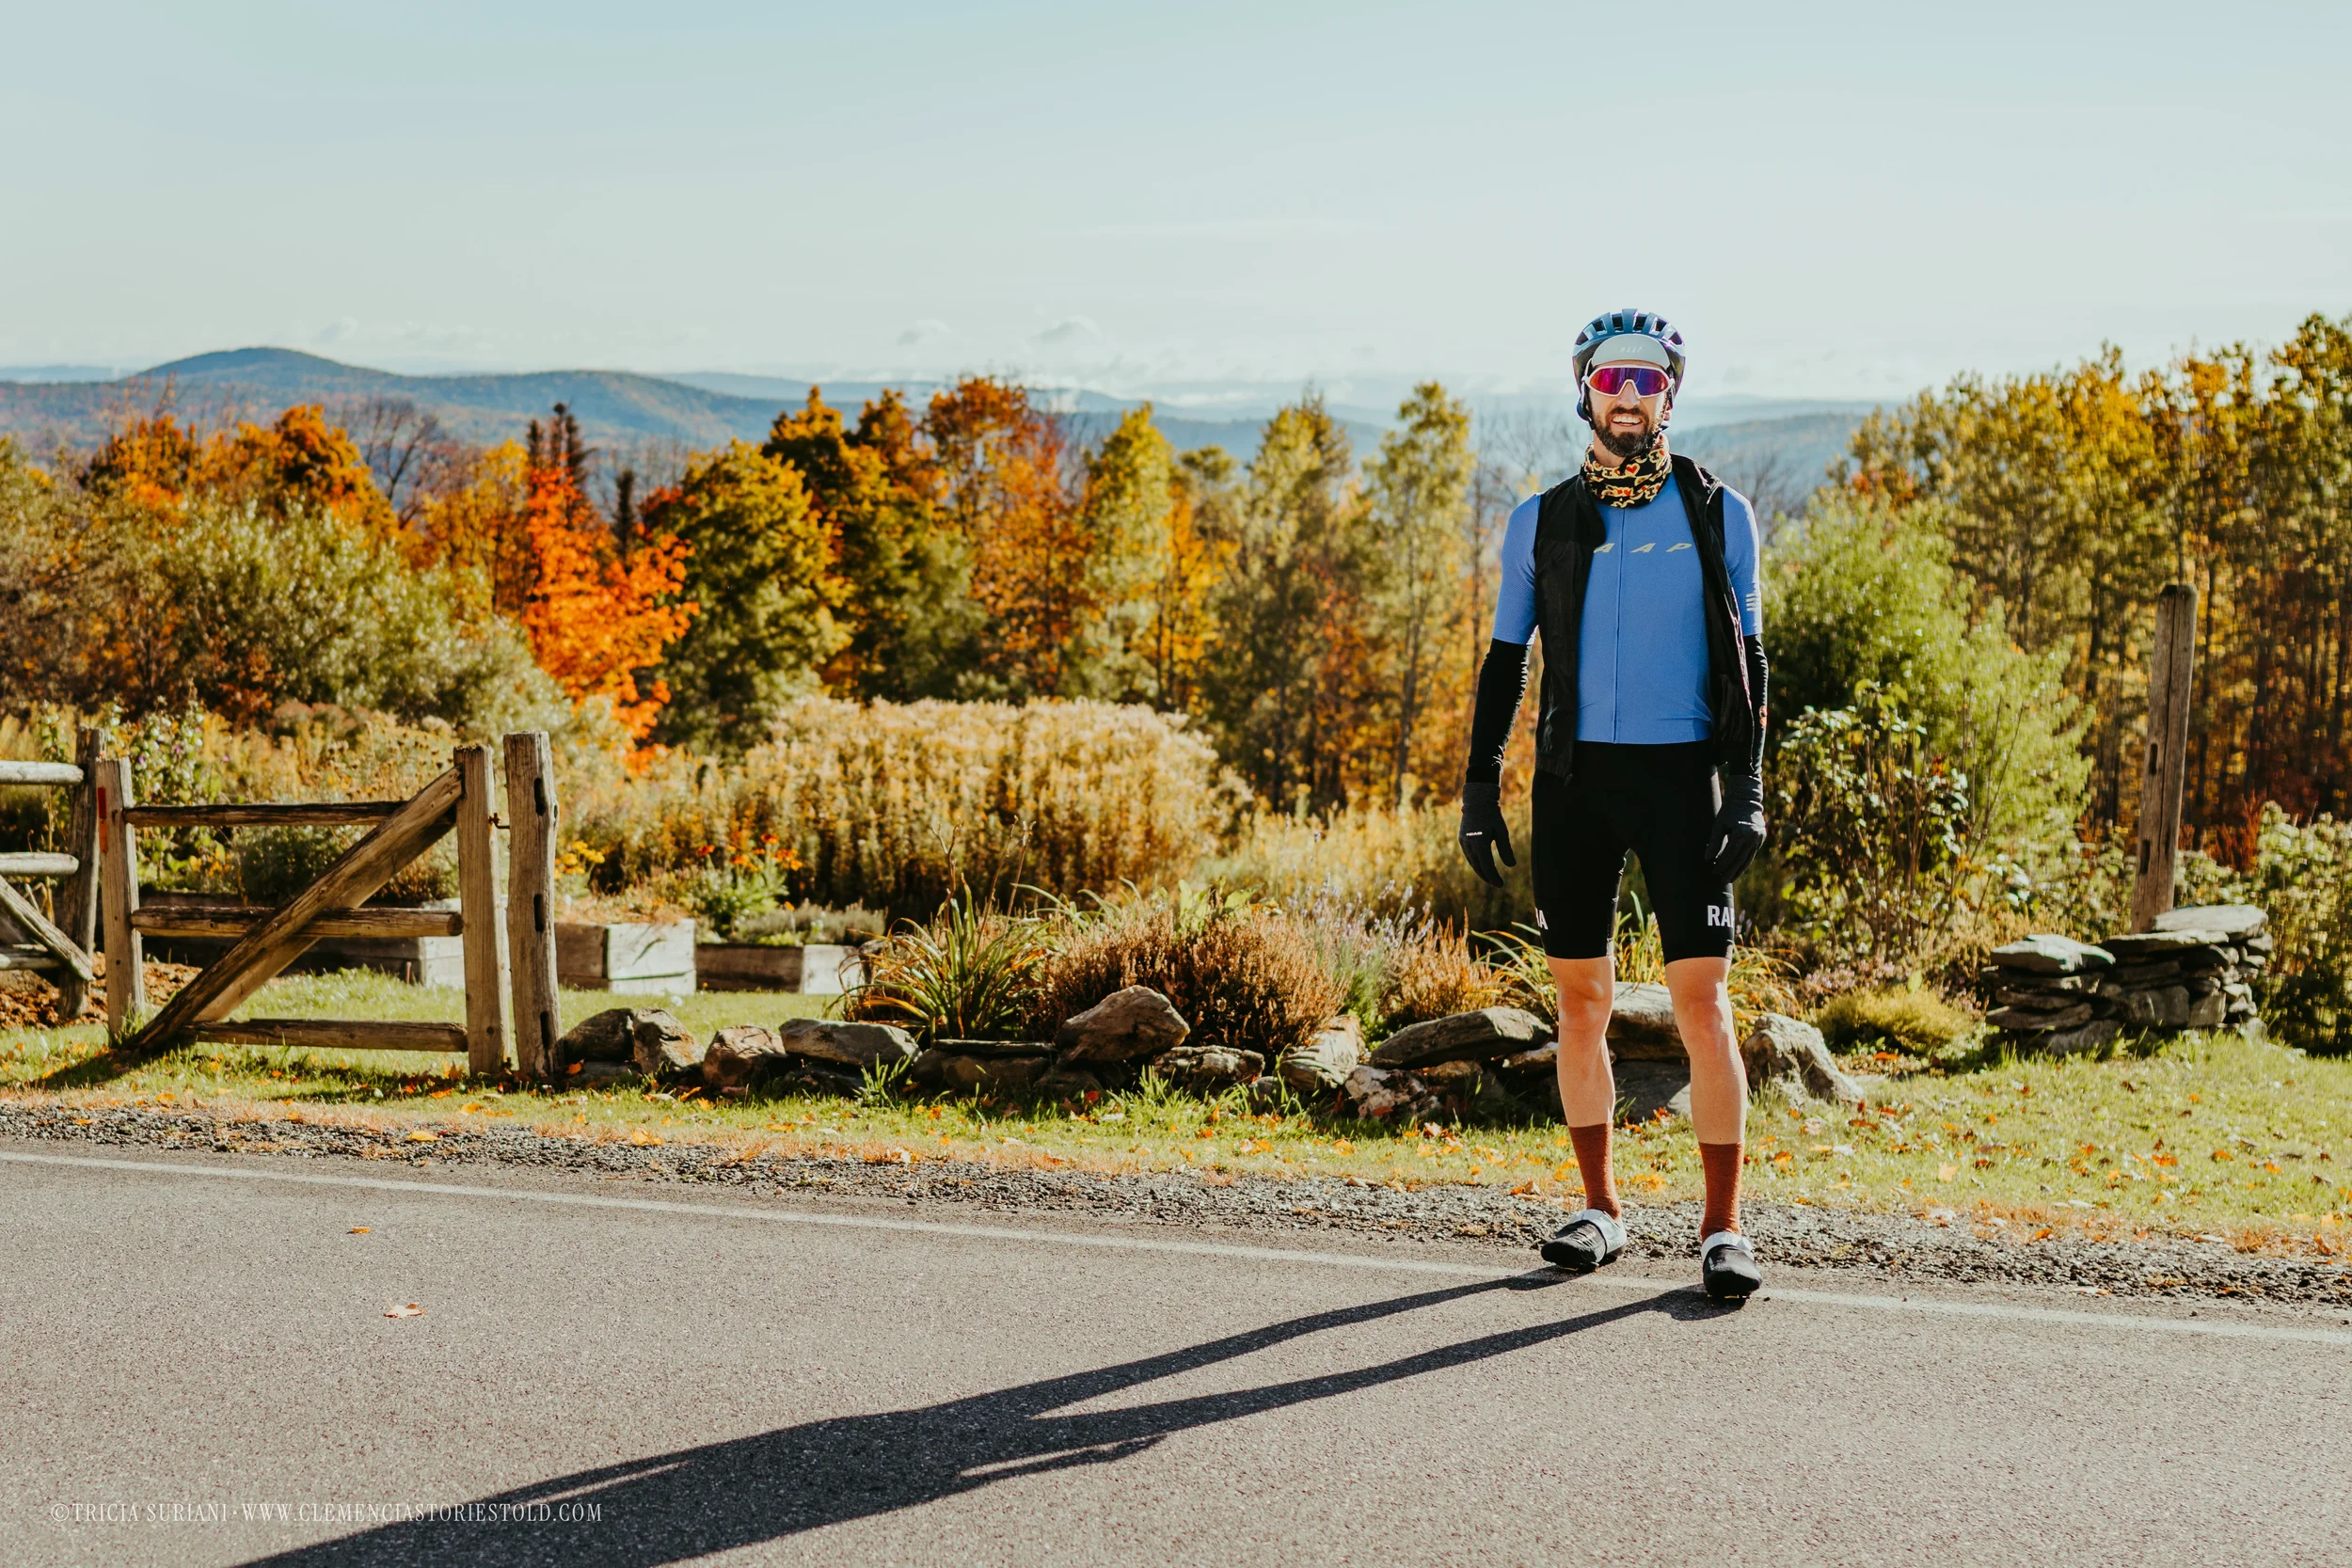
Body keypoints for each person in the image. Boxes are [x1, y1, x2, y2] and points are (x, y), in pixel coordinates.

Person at [1457, 308, 1769, 1301]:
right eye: (1609, 379)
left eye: (1645, 380)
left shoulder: (1718, 512)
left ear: (1672, 392)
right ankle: (1600, 1207)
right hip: (1574, 785)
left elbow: (1752, 666)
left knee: (1702, 1004)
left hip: (1685, 782)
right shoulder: (1539, 519)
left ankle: (1722, 1226)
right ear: (1583, 391)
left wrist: (1749, 788)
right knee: (1580, 1001)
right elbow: (1506, 664)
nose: (1627, 396)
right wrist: (1478, 785)